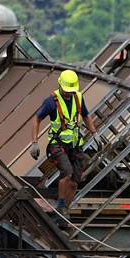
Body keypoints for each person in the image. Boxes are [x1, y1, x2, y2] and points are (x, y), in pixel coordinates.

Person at [30, 69, 102, 225]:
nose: (69, 94)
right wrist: (34, 142)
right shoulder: (51, 101)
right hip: (57, 144)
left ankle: (62, 214)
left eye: (71, 91)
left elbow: (86, 115)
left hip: (75, 145)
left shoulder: (78, 98)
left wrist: (95, 133)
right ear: (60, 86)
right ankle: (61, 205)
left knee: (75, 181)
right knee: (67, 174)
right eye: (67, 91)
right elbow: (37, 119)